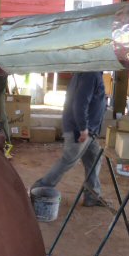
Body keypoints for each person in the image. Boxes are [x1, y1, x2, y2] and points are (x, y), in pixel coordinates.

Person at [31, 71, 105, 206]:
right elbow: (80, 103)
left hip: (89, 130)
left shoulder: (87, 72)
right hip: (81, 130)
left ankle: (92, 196)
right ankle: (37, 190)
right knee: (67, 161)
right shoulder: (91, 74)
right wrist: (83, 128)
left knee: (94, 159)